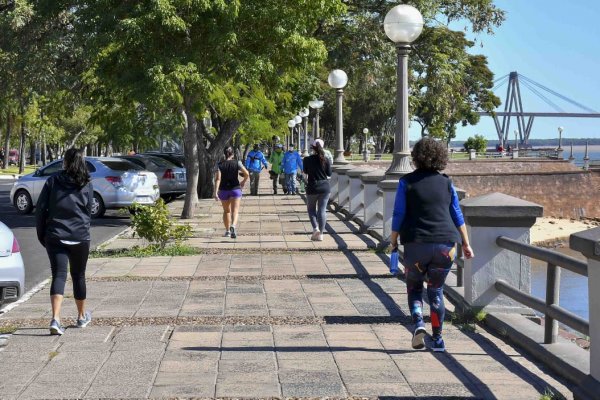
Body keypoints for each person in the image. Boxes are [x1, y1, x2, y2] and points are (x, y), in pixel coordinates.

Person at [390, 137, 474, 353]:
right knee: (436, 291)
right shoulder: (447, 182)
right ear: (440, 157)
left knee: (414, 287)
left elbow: (399, 213)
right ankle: (438, 340)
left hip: (416, 244)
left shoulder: (406, 182)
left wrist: (393, 240)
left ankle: (418, 324)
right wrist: (466, 242)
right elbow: (456, 214)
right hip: (446, 245)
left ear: (416, 158)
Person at [35, 148, 93, 335]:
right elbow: (88, 211)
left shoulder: (52, 181)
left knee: (58, 275)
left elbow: (41, 210)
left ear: (65, 162)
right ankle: (81, 316)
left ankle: (56, 319)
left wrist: (42, 235)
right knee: (79, 276)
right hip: (80, 236)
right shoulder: (86, 183)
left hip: (55, 235)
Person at [214, 146, 250, 239]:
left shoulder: (219, 164)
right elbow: (246, 173)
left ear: (224, 154)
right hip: (235, 189)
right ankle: (233, 226)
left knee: (226, 211)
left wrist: (215, 192)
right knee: (235, 211)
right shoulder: (237, 163)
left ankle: (227, 231)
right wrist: (243, 182)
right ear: (233, 154)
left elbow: (218, 179)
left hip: (223, 190)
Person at [303, 139, 332, 241]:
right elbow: (329, 174)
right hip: (325, 187)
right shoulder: (326, 159)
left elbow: (305, 172)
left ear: (313, 148)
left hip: (312, 187)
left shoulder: (307, 159)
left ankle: (315, 228)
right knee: (322, 210)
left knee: (311, 209)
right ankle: (321, 234)